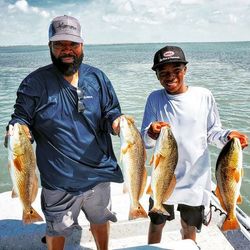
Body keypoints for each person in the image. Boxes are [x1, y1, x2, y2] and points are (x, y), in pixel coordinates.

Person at [5, 15, 123, 250]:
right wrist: (18, 130)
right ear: (50, 46)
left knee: (100, 220)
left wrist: (117, 122)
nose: (67, 50)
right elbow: (19, 119)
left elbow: (111, 111)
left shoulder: (98, 78)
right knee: (57, 228)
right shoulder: (34, 83)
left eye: (73, 45)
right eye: (60, 45)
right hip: (59, 181)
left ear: (82, 46)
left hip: (99, 175)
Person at [141, 45, 248, 244]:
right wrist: (151, 132)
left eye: (176, 71)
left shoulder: (203, 96)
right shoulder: (154, 99)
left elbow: (213, 133)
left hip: (196, 179)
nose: (170, 76)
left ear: (185, 70)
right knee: (156, 223)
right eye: (163, 72)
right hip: (163, 176)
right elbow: (145, 142)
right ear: (157, 75)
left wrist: (227, 136)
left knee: (189, 226)